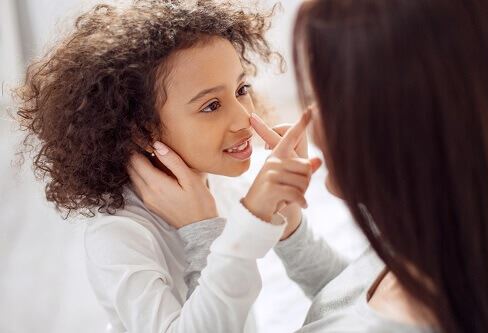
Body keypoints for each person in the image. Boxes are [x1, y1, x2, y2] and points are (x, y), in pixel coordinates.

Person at [131, 0, 488, 332]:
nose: (310, 118)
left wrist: (205, 240)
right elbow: (353, 296)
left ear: (397, 125)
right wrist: (292, 231)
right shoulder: (443, 236)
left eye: (321, 97)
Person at [15, 1, 321, 332]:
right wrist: (204, 231)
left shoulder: (225, 185)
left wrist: (288, 217)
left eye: (241, 89)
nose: (244, 118)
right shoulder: (118, 236)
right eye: (211, 105)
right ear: (143, 131)